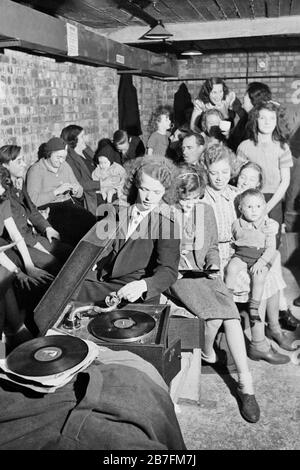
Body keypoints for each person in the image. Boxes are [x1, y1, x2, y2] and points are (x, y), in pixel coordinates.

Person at [166, 166, 260, 423]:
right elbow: (160, 259)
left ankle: (246, 386)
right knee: (219, 314)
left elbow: (211, 248)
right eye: (185, 200)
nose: (190, 205)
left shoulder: (204, 210)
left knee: (230, 316)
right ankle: (208, 352)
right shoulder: (164, 214)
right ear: (176, 196)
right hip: (178, 277)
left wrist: (213, 264)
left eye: (195, 199)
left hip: (204, 275)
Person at [202, 143, 291, 364]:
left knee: (266, 272)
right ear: (206, 170)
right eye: (214, 173)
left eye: (225, 172)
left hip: (236, 251)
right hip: (216, 257)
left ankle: (266, 335)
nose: (220, 178)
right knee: (260, 279)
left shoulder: (236, 195)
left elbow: (257, 213)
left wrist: (269, 226)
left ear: (231, 171)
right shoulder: (203, 198)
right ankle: (261, 340)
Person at [75, 155, 180, 306]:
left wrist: (144, 285)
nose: (149, 198)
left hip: (134, 288)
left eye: (156, 192)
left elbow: (168, 271)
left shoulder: (167, 224)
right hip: (104, 277)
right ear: (136, 185)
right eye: (144, 189)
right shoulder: (119, 209)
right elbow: (97, 242)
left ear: (166, 192)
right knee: (62, 290)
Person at [236, 162, 300, 332]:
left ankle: (276, 322)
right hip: (240, 253)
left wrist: (271, 226)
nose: (245, 181)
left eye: (251, 179)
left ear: (257, 185)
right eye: (242, 176)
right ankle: (276, 320)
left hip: (254, 251)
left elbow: (265, 226)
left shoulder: (255, 203)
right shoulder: (233, 196)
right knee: (269, 267)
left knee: (274, 257)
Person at [0, 145, 73, 276]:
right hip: (16, 245)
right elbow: (15, 233)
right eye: (18, 161)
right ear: (5, 165)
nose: (24, 164)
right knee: (54, 264)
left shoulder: (18, 182)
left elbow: (31, 209)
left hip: (31, 236)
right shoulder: (3, 193)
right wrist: (40, 246)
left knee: (70, 252)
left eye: (23, 159)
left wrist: (47, 228)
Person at [237, 101, 293, 241]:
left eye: (272, 118)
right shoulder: (244, 146)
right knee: (250, 241)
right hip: (249, 198)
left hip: (272, 200)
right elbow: (238, 179)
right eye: (263, 118)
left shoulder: (282, 147)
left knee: (272, 242)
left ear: (276, 121)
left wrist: (267, 207)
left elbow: (285, 181)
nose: (267, 122)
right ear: (256, 120)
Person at [26, 137, 96, 247]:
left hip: (69, 205)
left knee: (91, 221)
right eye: (58, 157)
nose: (61, 161)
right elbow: (32, 200)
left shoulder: (65, 166)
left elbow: (80, 191)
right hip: (50, 208)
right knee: (71, 231)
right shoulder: (36, 170)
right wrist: (56, 192)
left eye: (64, 157)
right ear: (49, 154)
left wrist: (76, 190)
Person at [225, 189, 278, 324]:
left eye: (258, 206)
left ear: (264, 207)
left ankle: (254, 306)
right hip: (242, 254)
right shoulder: (237, 224)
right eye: (249, 207)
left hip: (261, 256)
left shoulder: (268, 225)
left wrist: (261, 262)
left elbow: (271, 248)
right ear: (241, 208)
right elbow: (233, 240)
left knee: (259, 277)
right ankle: (227, 298)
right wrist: (232, 254)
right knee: (231, 268)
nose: (254, 210)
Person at [60, 125, 99, 215]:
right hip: (90, 192)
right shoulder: (69, 159)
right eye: (82, 136)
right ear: (74, 140)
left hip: (100, 184)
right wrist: (102, 184)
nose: (85, 138)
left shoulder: (86, 150)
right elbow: (80, 183)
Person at [228, 81, 272, 152]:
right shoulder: (247, 117)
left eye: (246, 94)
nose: (243, 96)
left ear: (254, 100)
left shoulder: (257, 124)